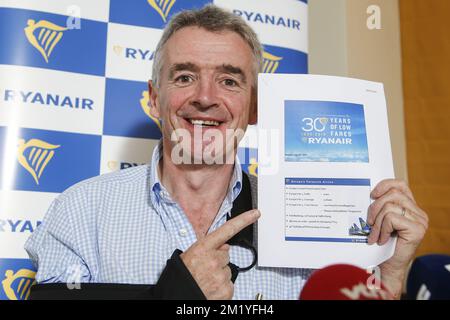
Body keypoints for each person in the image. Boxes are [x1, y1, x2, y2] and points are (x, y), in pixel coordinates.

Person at [25, 4, 428, 300]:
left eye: (229, 82)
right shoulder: (80, 211)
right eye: (184, 76)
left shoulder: (313, 223)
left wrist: (390, 277)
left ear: (254, 109)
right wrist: (175, 296)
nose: (205, 98)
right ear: (152, 99)